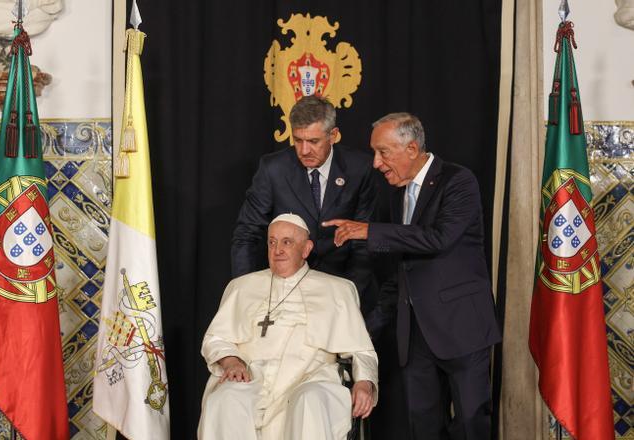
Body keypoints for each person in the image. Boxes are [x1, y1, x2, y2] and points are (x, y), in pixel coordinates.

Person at [324, 113, 501, 440]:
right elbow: (401, 268)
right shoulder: (393, 194)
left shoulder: (458, 181)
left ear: (412, 148)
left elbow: (439, 238)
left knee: (470, 424)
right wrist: (367, 327)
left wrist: (369, 231)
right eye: (375, 153)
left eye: (383, 152)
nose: (376, 163)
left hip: (461, 327)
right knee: (422, 428)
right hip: (414, 335)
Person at [199, 213, 378, 440]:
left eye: (287, 242)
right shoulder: (241, 287)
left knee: (309, 401)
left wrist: (364, 382)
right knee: (225, 400)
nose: (277, 250)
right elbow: (215, 338)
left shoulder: (338, 290)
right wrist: (232, 361)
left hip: (311, 378)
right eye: (272, 242)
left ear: (306, 249)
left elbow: (362, 350)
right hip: (252, 378)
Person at [231, 95, 376, 312]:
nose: (304, 150)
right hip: (282, 290)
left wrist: (350, 294)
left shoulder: (360, 168)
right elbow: (247, 234)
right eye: (298, 140)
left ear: (333, 135)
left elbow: (364, 239)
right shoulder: (273, 169)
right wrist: (247, 292)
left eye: (314, 141)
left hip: (341, 286)